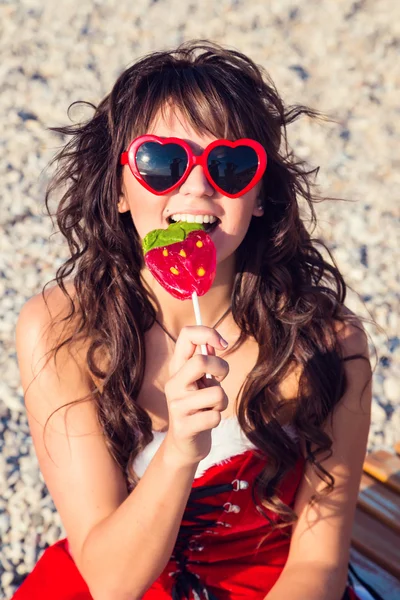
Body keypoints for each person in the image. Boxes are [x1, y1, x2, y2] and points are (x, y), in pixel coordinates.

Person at [13, 39, 377, 600]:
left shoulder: (327, 344)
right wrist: (181, 448)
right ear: (118, 188)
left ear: (259, 196)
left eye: (231, 165)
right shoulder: (61, 330)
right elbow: (110, 582)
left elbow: (318, 566)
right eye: (163, 162)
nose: (198, 185)